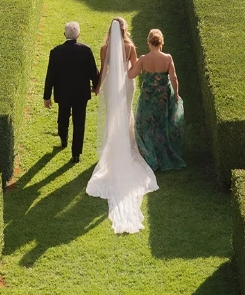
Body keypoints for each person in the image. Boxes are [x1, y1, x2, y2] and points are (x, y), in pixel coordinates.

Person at [86, 17, 159, 233]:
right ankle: (126, 146)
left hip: (111, 86)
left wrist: (98, 87)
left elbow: (104, 70)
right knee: (125, 114)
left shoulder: (104, 48)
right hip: (126, 85)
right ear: (125, 30)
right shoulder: (130, 47)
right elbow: (133, 69)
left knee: (112, 116)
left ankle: (112, 147)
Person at [44, 20, 101, 165]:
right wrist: (96, 86)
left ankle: (63, 138)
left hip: (63, 93)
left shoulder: (55, 52)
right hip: (81, 94)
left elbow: (50, 75)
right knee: (79, 122)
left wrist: (47, 96)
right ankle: (76, 154)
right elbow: (93, 72)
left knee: (63, 117)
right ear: (78, 34)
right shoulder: (86, 50)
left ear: (64, 34)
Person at [129, 28, 184, 171]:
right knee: (160, 125)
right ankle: (162, 153)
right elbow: (174, 78)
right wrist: (176, 94)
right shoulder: (167, 58)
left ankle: (148, 153)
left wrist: (126, 65)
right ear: (161, 42)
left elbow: (131, 75)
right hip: (162, 97)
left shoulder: (143, 59)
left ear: (148, 42)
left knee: (144, 124)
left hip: (147, 97)